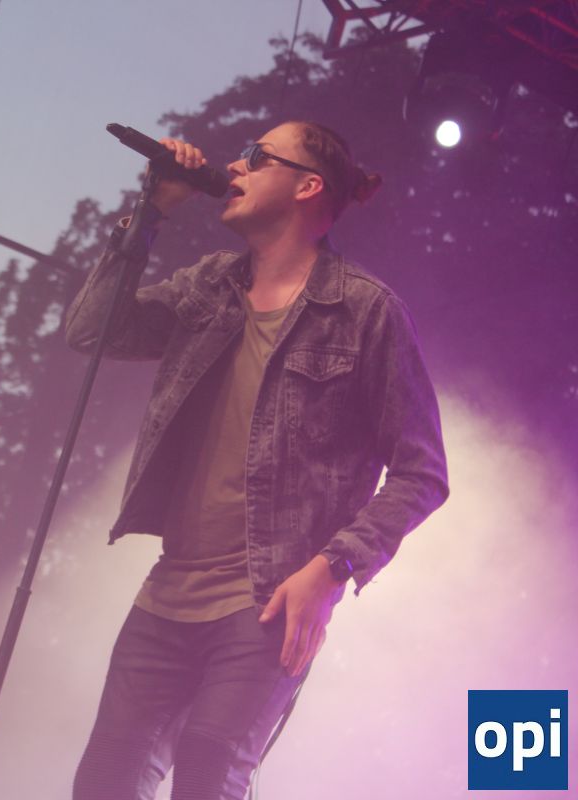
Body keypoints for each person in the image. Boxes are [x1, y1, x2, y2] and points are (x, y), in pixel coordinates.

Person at [65, 121, 449, 799]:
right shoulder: (209, 285)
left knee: (207, 774)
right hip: (169, 592)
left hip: (270, 600)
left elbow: (423, 472)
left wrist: (331, 569)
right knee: (103, 782)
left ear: (308, 186)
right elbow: (94, 330)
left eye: (256, 156)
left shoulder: (365, 311)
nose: (235, 167)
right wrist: (150, 212)